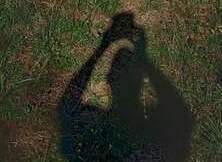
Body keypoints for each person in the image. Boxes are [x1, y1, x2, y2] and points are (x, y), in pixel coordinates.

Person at [58, 13, 193, 161]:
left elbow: (68, 104)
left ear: (107, 80)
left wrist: (103, 46)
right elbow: (179, 112)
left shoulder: (96, 126)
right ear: (141, 83)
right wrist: (144, 59)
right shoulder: (152, 141)